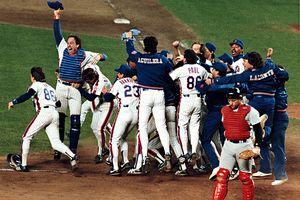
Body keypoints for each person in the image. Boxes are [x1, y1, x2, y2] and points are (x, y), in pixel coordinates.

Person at [49, 5, 107, 159]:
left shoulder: (84, 54)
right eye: (68, 42)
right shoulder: (62, 49)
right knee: (59, 119)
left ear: (77, 45)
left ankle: (72, 150)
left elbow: (104, 55)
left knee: (75, 122)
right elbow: (57, 34)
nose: (69, 44)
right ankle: (59, 148)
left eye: (72, 43)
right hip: (60, 87)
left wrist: (99, 57)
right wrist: (56, 16)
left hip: (75, 90)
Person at [7, 67, 78, 172]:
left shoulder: (36, 85)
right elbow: (58, 103)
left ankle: (24, 165)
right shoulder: (50, 88)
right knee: (55, 142)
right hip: (54, 114)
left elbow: (28, 95)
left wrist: (14, 102)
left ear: (33, 77)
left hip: (45, 114)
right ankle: (72, 156)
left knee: (26, 137)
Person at [124, 32, 173, 173]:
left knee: (142, 127)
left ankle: (144, 156)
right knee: (161, 126)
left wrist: (129, 38)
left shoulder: (139, 58)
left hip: (145, 95)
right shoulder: (163, 59)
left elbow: (130, 50)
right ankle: (168, 154)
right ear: (156, 46)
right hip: (159, 95)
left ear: (145, 47)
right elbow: (171, 75)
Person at [212, 88, 263, 200]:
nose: (231, 103)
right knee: (221, 176)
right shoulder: (224, 110)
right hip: (228, 146)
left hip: (244, 146)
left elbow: (258, 130)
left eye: (234, 100)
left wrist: (258, 146)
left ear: (240, 99)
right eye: (229, 100)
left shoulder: (251, 111)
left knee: (245, 177)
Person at [253, 49, 289, 186]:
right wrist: (268, 59)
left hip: (279, 119)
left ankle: (281, 175)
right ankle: (265, 168)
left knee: (277, 146)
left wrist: (269, 61)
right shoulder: (274, 86)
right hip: (273, 117)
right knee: (263, 140)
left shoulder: (278, 90)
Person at [169, 49, 208, 167]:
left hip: (185, 100)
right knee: (194, 126)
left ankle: (185, 152)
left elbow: (169, 79)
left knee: (182, 126)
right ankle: (195, 151)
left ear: (185, 59)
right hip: (197, 100)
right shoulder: (201, 69)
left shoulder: (181, 69)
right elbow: (207, 81)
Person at [102, 64, 139, 176]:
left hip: (125, 113)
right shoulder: (135, 83)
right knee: (123, 137)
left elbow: (109, 98)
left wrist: (105, 93)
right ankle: (126, 161)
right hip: (136, 115)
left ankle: (115, 168)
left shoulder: (119, 83)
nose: (117, 75)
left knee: (113, 140)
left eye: (119, 73)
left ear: (123, 74)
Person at [77, 68, 114, 164]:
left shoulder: (100, 83)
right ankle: (105, 148)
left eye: (88, 81)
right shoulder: (96, 74)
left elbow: (90, 97)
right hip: (100, 102)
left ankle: (100, 152)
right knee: (94, 127)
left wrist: (79, 88)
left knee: (100, 128)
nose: (88, 83)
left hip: (108, 104)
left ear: (92, 78)